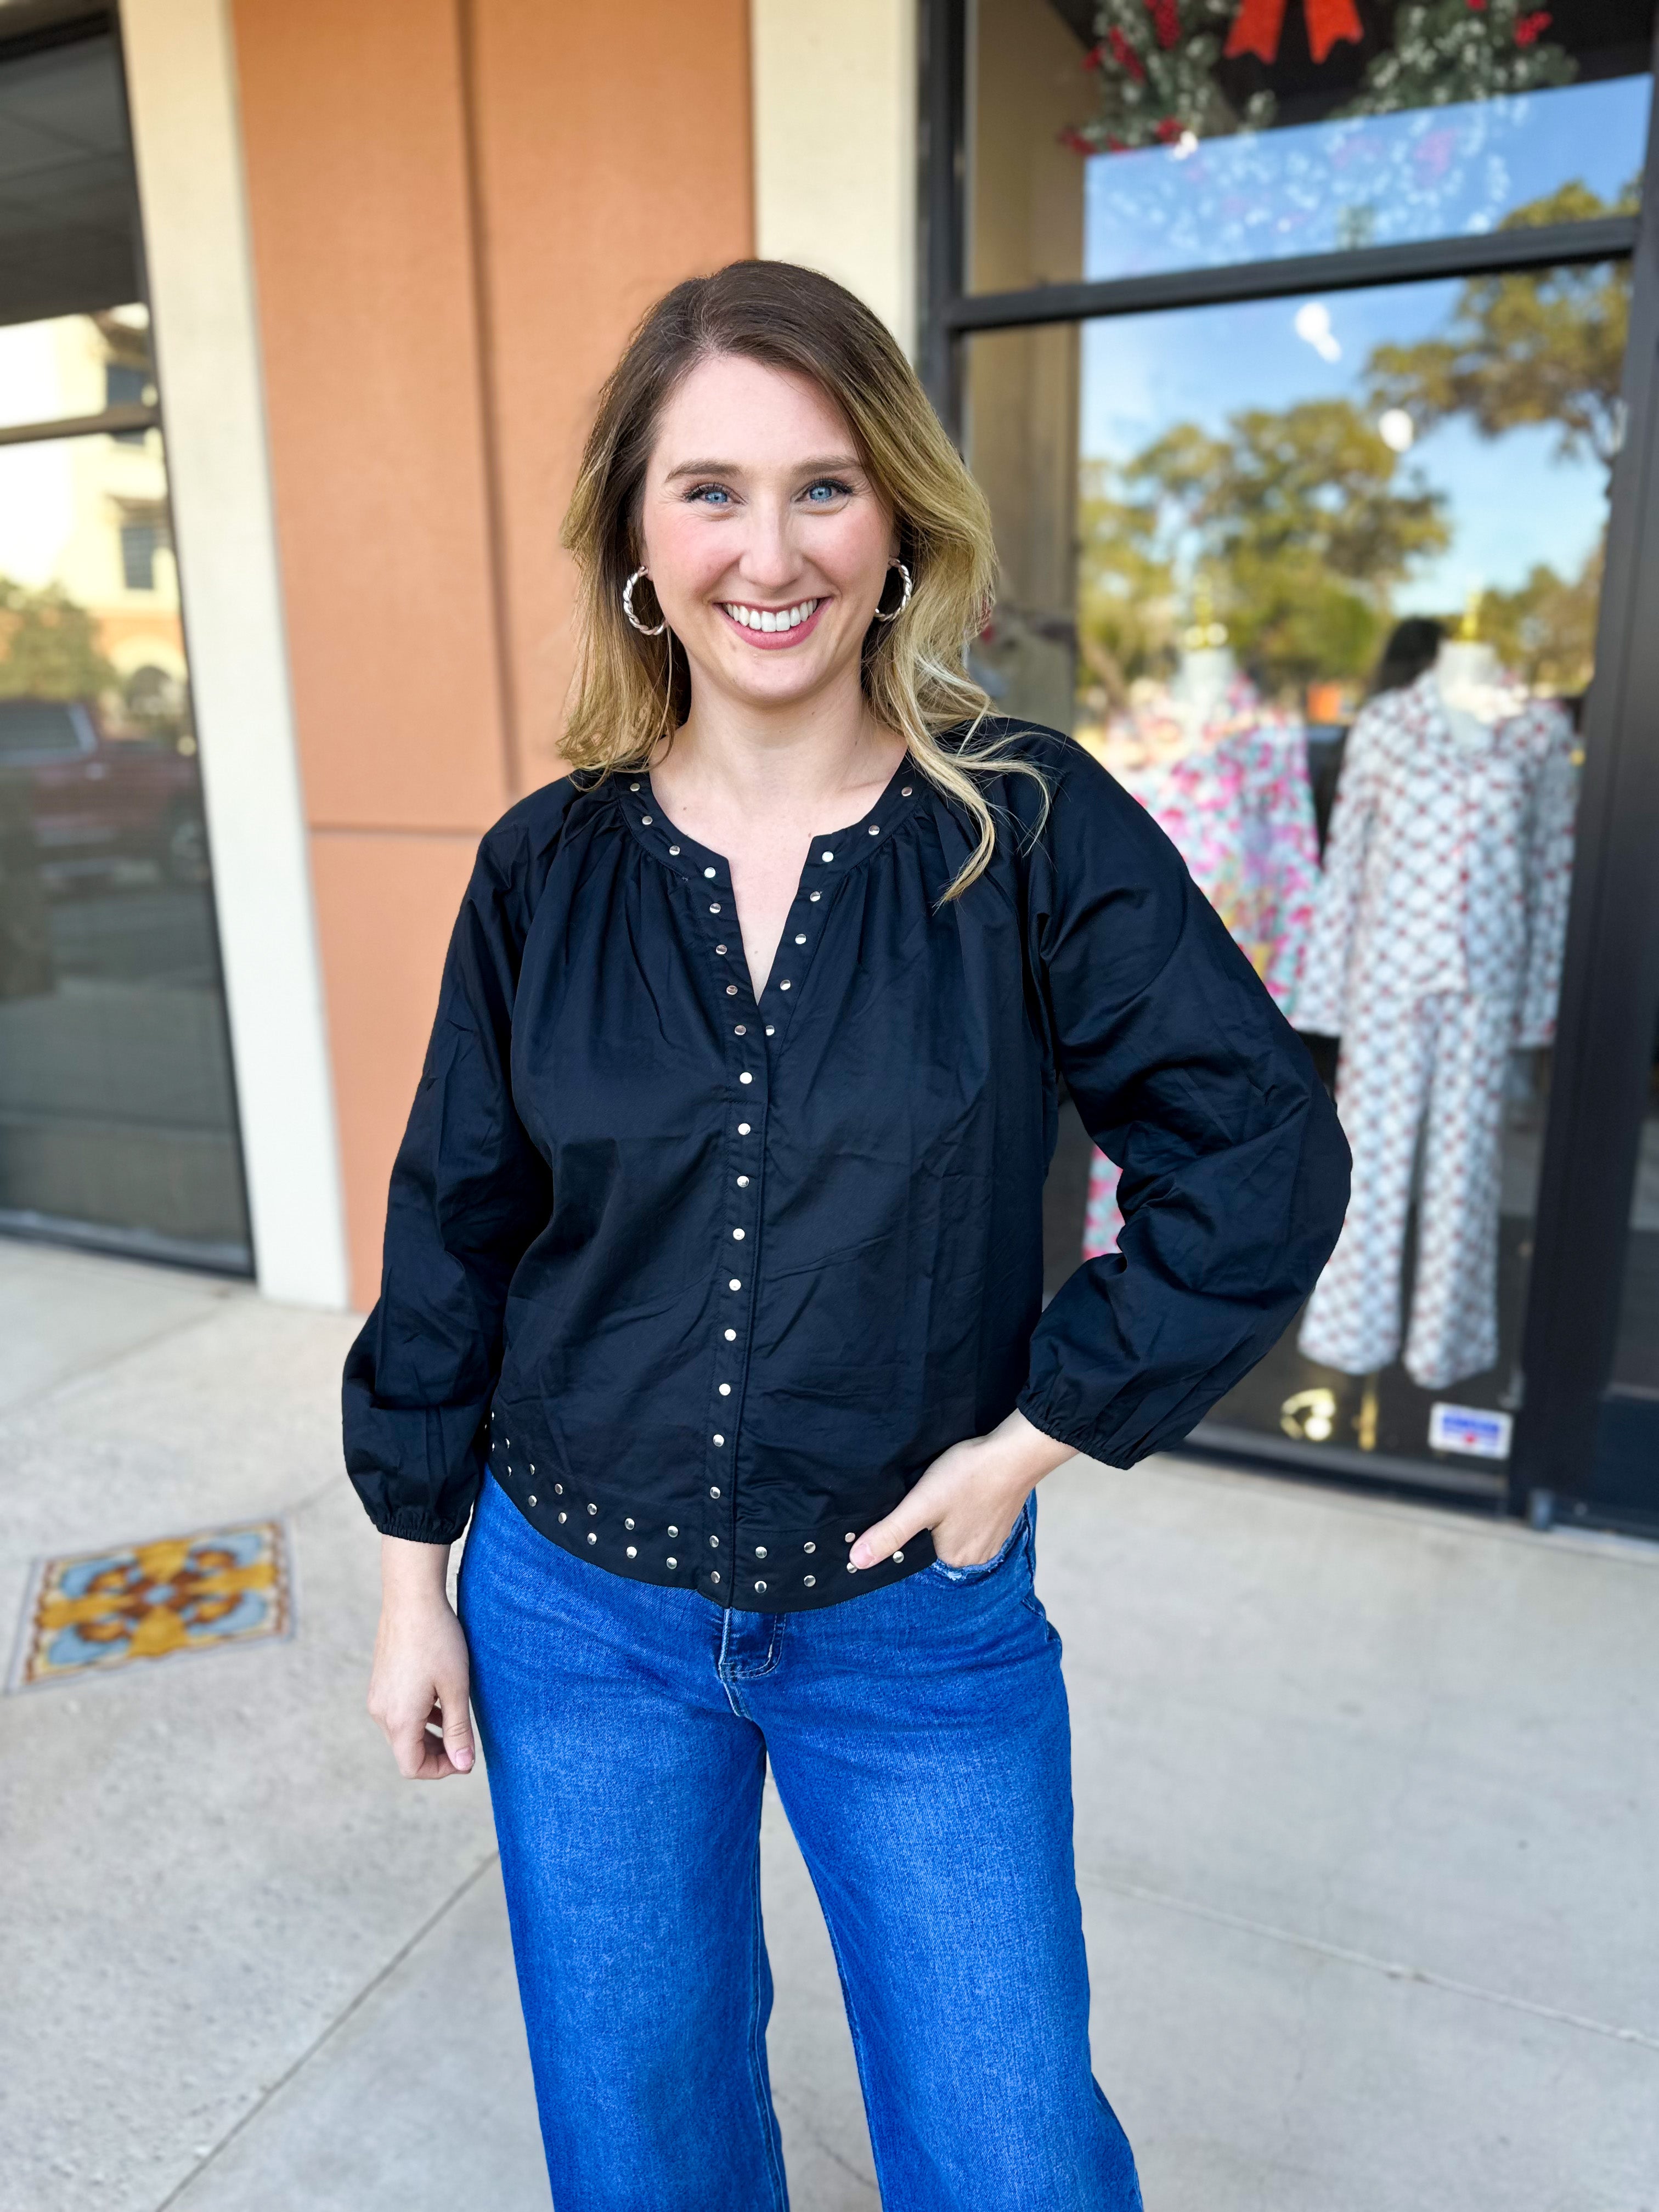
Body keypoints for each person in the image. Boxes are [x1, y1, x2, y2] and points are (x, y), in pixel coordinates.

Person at [343, 259, 1350, 2211]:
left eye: (823, 485)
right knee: (641, 2148)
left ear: (898, 517)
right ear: (638, 539)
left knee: (1015, 2158)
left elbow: (1257, 1154)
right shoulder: (545, 870)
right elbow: (454, 1227)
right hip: (581, 1615)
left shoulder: (1026, 826)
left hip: (914, 1623)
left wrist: (1037, 1441)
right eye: (709, 490)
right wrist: (412, 1581)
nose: (769, 550)